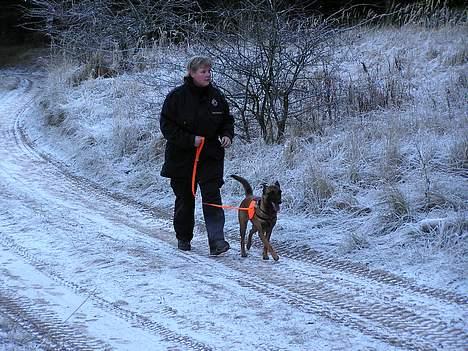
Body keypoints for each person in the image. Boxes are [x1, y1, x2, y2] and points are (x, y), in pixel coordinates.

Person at [160, 56, 234, 255]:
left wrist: (227, 135)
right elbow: (166, 127)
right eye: (203, 71)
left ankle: (217, 241)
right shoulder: (176, 97)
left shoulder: (217, 97)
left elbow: (227, 120)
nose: (208, 75)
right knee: (185, 199)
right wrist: (190, 140)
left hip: (210, 156)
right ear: (191, 73)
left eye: (209, 71)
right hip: (182, 158)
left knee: (212, 197)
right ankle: (183, 238)